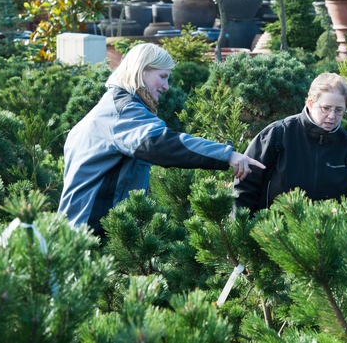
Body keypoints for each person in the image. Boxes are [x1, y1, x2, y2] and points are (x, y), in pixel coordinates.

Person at [59, 43, 264, 236]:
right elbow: (162, 144)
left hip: (79, 231)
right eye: (163, 76)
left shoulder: (108, 110)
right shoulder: (122, 112)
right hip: (90, 235)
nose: (166, 86)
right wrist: (226, 154)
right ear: (141, 71)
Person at [234, 72, 347, 215]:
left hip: (327, 234)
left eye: (339, 110)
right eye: (326, 108)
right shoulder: (277, 135)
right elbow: (245, 187)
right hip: (274, 232)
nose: (332, 116)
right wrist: (244, 230)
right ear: (310, 104)